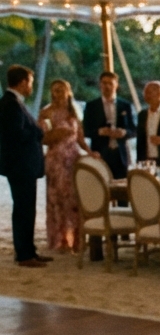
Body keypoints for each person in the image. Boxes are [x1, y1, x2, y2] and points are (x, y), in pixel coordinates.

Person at [39, 79, 97, 252]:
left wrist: (89, 151)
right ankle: (60, 239)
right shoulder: (46, 112)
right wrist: (56, 134)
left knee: (73, 199)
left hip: (73, 158)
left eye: (61, 90)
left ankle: (77, 239)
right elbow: (42, 138)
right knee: (57, 199)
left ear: (68, 91)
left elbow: (80, 137)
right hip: (55, 158)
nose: (58, 93)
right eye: (55, 90)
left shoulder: (74, 111)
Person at [0, 65, 49, 267]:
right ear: (22, 83)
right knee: (23, 209)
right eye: (30, 82)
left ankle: (29, 250)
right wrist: (38, 131)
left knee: (27, 208)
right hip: (20, 166)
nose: (31, 86)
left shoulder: (14, 103)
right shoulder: (10, 104)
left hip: (24, 166)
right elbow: (15, 135)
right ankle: (24, 254)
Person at [82, 71, 136, 179]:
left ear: (116, 85)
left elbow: (133, 129)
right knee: (100, 189)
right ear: (100, 85)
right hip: (100, 154)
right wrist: (99, 132)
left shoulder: (125, 105)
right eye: (104, 83)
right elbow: (85, 130)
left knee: (121, 189)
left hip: (120, 155)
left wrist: (124, 132)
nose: (107, 86)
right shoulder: (91, 106)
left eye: (110, 83)